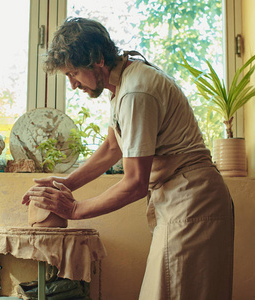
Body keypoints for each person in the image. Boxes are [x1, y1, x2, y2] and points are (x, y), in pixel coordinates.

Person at [22, 17, 234, 300]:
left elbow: (135, 182)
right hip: (183, 199)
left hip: (193, 201)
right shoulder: (121, 84)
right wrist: (68, 183)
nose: (73, 85)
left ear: (97, 59)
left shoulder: (136, 91)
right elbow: (113, 146)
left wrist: (74, 210)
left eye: (73, 73)